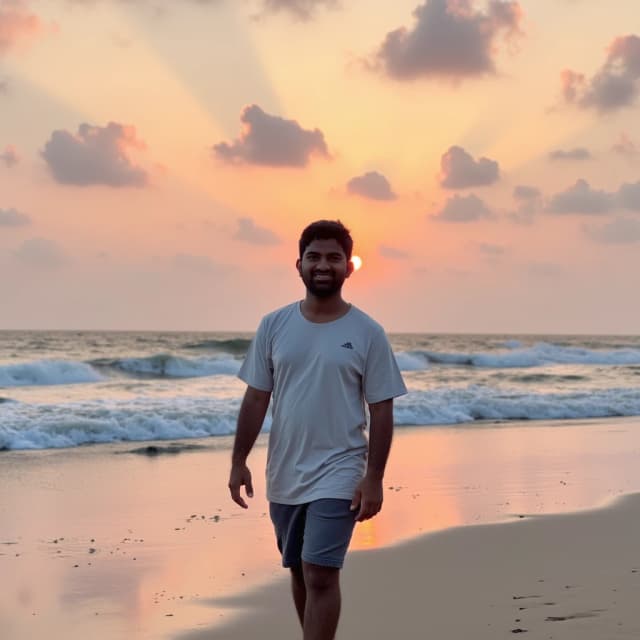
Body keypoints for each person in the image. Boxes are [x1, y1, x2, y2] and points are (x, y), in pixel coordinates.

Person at [228, 219, 407, 640]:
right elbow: (257, 397)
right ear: (299, 265)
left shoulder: (367, 332)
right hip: (285, 469)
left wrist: (374, 478)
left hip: (341, 468)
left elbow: (382, 410)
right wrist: (238, 461)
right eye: (314, 257)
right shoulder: (274, 325)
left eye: (333, 257)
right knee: (298, 569)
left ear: (349, 267)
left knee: (321, 573)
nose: (323, 265)